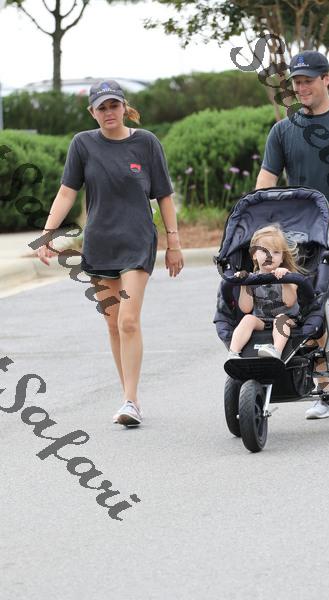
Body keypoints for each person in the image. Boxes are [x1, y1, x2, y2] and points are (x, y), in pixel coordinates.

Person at [36, 79, 184, 427]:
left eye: (113, 105)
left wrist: (173, 243)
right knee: (113, 324)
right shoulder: (82, 144)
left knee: (128, 320)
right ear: (92, 112)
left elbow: (164, 195)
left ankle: (131, 401)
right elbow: (67, 192)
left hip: (137, 242)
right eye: (101, 108)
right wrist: (47, 233)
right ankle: (128, 397)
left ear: (123, 106)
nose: (108, 112)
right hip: (100, 244)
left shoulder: (146, 143)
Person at [256, 50, 329, 419]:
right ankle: (324, 390)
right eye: (296, 81)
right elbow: (266, 179)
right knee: (309, 308)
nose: (301, 87)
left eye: (308, 80)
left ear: (326, 80)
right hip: (300, 238)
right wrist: (257, 213)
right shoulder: (283, 131)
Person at [228, 224, 303, 360]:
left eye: (276, 252)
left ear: (282, 257)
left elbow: (289, 302)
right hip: (262, 320)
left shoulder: (289, 276)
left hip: (288, 319)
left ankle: (276, 351)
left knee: (280, 319)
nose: (270, 256)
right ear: (254, 255)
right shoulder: (252, 278)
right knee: (248, 319)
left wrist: (285, 280)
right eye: (264, 251)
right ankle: (233, 353)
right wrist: (244, 284)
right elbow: (246, 309)